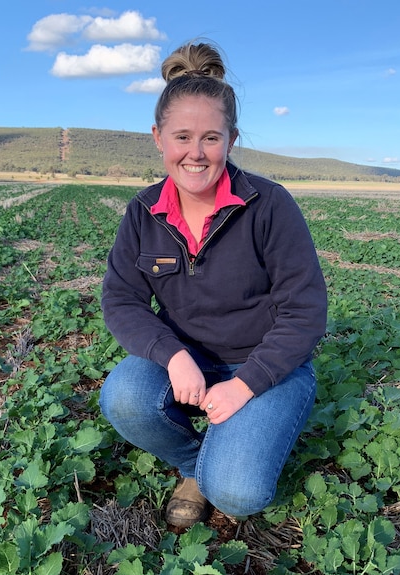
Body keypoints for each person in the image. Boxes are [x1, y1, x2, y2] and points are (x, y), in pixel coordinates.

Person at [98, 40, 328, 528]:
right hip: (188, 361)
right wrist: (174, 356)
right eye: (182, 137)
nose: (195, 154)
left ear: (231, 138)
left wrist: (245, 385)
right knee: (123, 396)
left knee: (239, 493)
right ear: (158, 137)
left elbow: (303, 313)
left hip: (267, 366)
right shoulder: (142, 211)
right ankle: (193, 466)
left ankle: (219, 468)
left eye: (211, 138)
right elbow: (121, 300)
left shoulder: (269, 204)